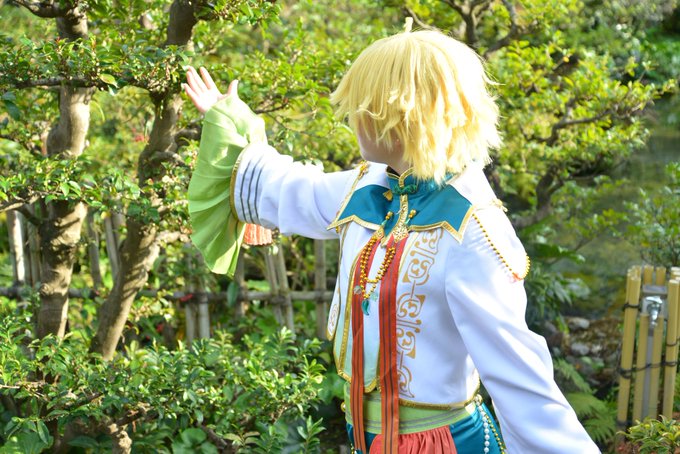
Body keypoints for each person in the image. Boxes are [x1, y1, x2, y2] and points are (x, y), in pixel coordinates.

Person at [183, 21, 600, 454]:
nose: (353, 118)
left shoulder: (472, 227)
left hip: (442, 445)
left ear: (403, 118)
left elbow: (518, 375)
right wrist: (227, 124)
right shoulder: (371, 186)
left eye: (365, 107)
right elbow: (292, 189)